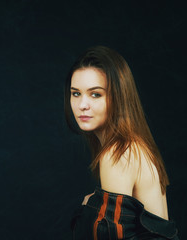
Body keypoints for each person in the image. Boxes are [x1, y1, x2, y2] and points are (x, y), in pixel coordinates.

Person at [65, 46, 179, 240]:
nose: (82, 104)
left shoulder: (119, 152)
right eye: (76, 93)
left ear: (118, 97)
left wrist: (88, 208)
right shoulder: (132, 145)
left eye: (95, 94)